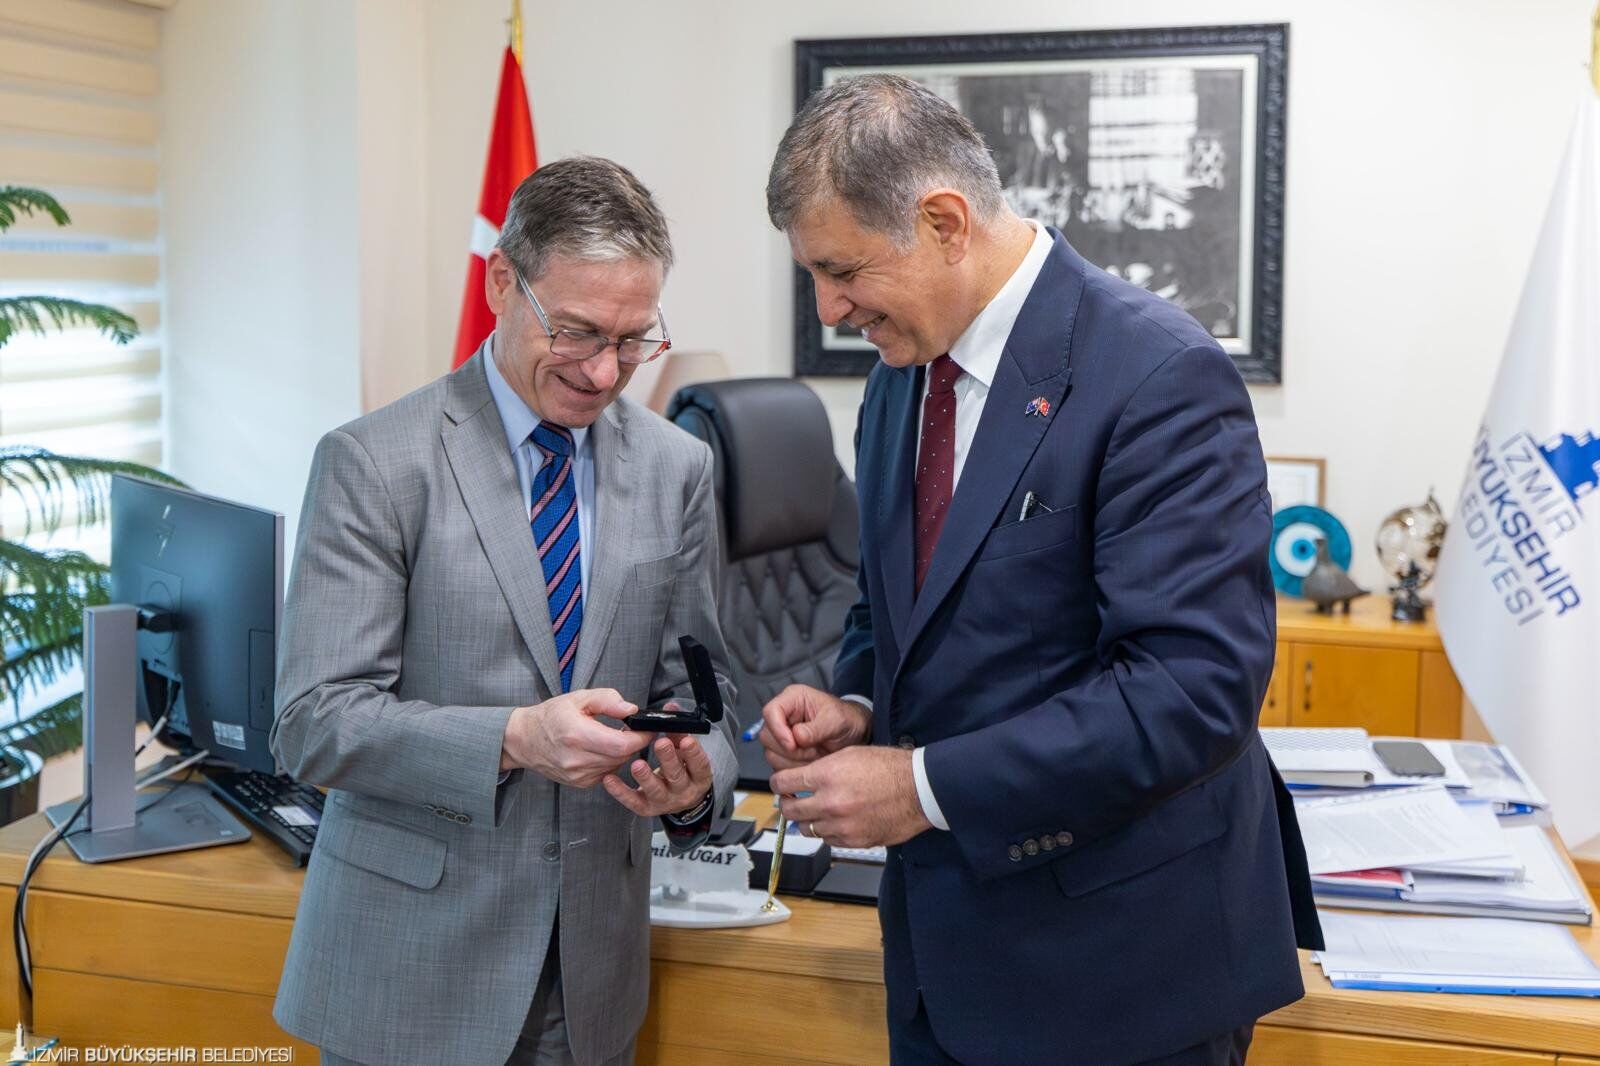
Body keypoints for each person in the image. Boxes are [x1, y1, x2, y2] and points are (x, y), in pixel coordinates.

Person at [760, 74, 1320, 1066]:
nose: (828, 307)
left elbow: (1189, 691)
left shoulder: (1158, 376)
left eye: (840, 270)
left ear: (943, 221)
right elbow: (899, 610)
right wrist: (854, 698)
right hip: (943, 964)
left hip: (1120, 974)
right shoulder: (900, 381)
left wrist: (922, 785)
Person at [270, 156, 738, 1066]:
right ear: (501, 287)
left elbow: (704, 690)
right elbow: (312, 725)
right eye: (576, 331)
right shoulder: (377, 464)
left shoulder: (678, 465)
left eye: (634, 338)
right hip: (413, 977)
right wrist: (516, 738)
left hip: (595, 981)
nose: (605, 372)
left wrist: (696, 779)